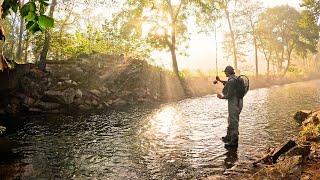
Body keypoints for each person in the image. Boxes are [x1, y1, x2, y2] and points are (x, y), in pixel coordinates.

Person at [215, 66, 243, 147]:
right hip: (240, 101)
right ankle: (229, 137)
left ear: (228, 72)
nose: (224, 73)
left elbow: (229, 95)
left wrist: (221, 97)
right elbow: (229, 84)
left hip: (233, 102)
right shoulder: (236, 78)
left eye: (225, 72)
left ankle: (234, 141)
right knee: (231, 118)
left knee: (233, 121)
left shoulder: (231, 81)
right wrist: (220, 80)